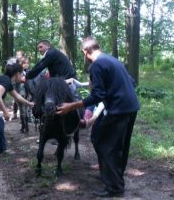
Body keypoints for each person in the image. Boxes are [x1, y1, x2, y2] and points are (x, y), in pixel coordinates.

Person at [57, 37, 140, 197]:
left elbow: (97, 95)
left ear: (85, 52)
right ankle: (113, 177)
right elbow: (129, 81)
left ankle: (114, 187)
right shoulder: (111, 59)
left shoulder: (97, 65)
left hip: (119, 109)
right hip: (131, 107)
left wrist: (71, 106)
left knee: (103, 143)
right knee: (119, 145)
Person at [0, 58, 34, 160]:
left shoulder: (7, 81)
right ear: (17, 73)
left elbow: (17, 96)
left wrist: (29, 103)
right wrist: (5, 112)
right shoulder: (5, 80)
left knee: (0, 123)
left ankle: (2, 148)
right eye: (22, 74)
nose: (23, 76)